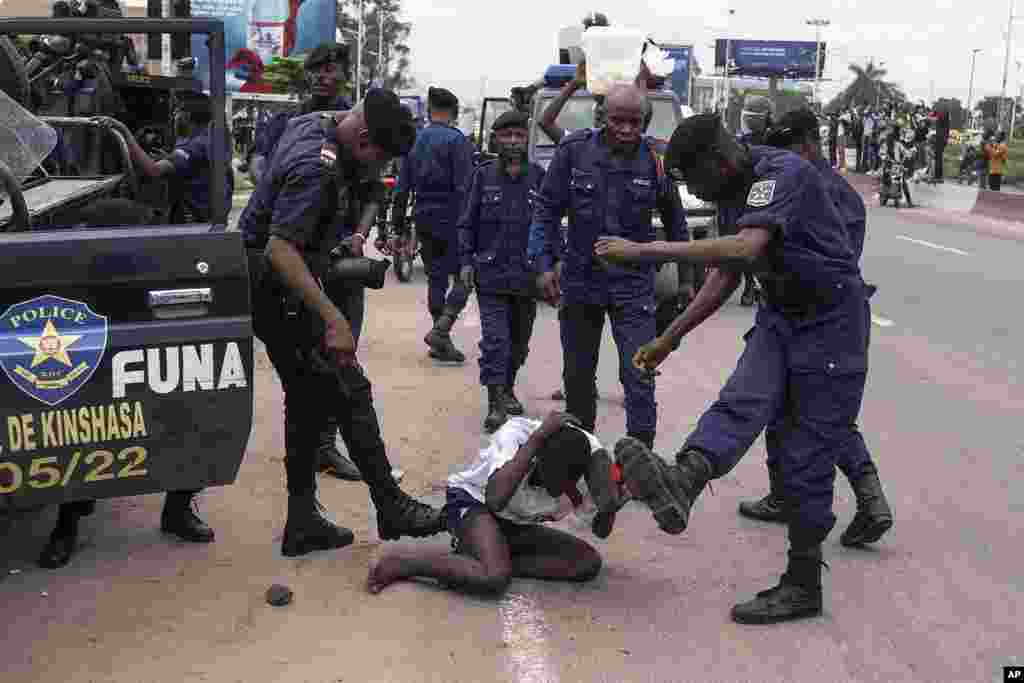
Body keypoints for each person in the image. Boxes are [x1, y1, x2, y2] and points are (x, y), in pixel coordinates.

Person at [593, 111, 876, 624]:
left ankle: (802, 582)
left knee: (806, 452)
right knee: (740, 400)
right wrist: (667, 340)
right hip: (782, 316)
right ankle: (684, 481)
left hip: (832, 320)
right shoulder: (731, 191)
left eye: (695, 182)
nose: (697, 195)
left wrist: (646, 251)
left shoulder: (779, 173)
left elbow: (746, 249)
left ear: (720, 162)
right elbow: (728, 272)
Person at [245, 90, 443, 556]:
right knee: (348, 385)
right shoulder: (317, 168)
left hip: (280, 280)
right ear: (364, 136)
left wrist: (348, 236)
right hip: (275, 285)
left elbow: (352, 193)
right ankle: (390, 505)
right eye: (381, 157)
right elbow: (280, 249)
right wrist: (333, 318)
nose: (379, 169)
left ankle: (302, 522)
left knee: (308, 399)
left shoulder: (319, 124)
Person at [735, 109, 893, 547]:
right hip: (831, 316)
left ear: (806, 144)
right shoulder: (846, 197)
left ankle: (840, 501)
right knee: (821, 413)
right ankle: (835, 497)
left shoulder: (800, 189)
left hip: (803, 318)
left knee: (802, 410)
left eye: (787, 147)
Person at [37, 200, 213, 569]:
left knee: (189, 416)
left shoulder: (153, 265)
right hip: (99, 363)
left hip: (143, 363)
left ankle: (178, 511)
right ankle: (66, 525)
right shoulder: (78, 277)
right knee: (81, 430)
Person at [527, 84, 688, 450]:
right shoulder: (574, 151)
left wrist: (685, 280)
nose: (627, 129)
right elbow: (547, 210)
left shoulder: (656, 159)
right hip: (581, 281)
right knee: (579, 377)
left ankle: (640, 454)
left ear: (644, 122)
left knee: (639, 372)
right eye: (619, 121)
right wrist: (542, 265)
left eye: (635, 122)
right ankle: (582, 452)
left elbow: (676, 224)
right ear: (602, 117)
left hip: (634, 285)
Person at [367, 410, 635, 596]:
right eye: (544, 478)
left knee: (586, 562)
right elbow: (495, 499)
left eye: (562, 484)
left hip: (515, 521)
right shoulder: (517, 435)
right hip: (475, 502)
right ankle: (403, 563)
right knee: (492, 577)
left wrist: (611, 506)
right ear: (538, 458)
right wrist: (536, 441)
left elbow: (600, 530)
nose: (552, 490)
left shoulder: (589, 469)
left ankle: (483, 556)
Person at [458, 111, 545, 432]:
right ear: (496, 139)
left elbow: (550, 225)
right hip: (491, 274)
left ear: (526, 138)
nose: (512, 142)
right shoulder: (482, 176)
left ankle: (507, 386)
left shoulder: (539, 177)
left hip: (527, 276)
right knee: (496, 341)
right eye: (505, 136)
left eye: (518, 136)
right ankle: (495, 402)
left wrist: (551, 266)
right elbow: (467, 222)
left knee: (519, 342)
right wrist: (466, 261)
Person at [392, 86, 475, 363]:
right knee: (466, 275)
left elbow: (402, 188)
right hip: (453, 217)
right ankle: (442, 330)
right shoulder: (457, 140)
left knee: (436, 278)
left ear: (429, 112)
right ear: (453, 112)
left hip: (424, 216)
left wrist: (398, 225)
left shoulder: (415, 141)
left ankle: (441, 342)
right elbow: (465, 187)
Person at [95, 92, 234, 225]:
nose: (174, 116)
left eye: (177, 111)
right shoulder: (207, 141)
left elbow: (153, 170)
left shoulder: (195, 146)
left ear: (186, 116)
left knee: (103, 209)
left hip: (189, 220)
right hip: (199, 216)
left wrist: (123, 131)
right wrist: (168, 158)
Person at [249, 43, 353, 187]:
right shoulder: (285, 120)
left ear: (346, 76)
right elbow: (258, 161)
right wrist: (273, 192)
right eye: (314, 70)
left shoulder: (354, 123)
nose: (319, 76)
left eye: (329, 70)